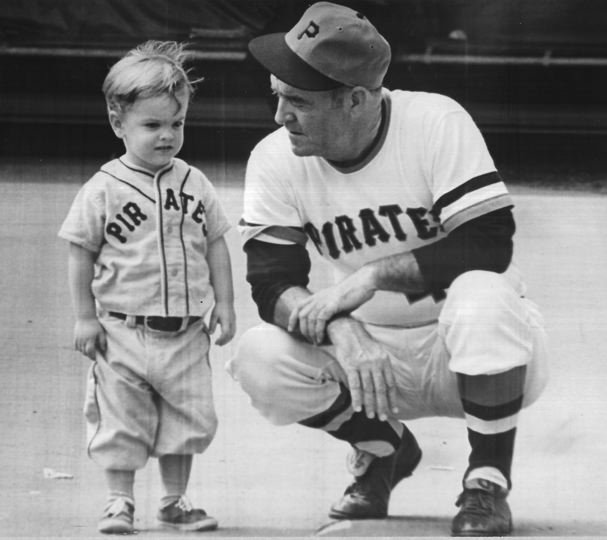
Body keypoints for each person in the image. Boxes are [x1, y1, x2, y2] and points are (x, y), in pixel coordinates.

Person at [228, 2, 549, 536]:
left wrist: (371, 276)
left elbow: (490, 243)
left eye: (298, 101)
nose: (280, 116)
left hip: (477, 353)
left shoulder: (434, 122)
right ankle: (385, 449)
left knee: (483, 294)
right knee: (258, 358)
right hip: (370, 361)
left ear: (355, 99)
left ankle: (486, 481)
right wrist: (342, 328)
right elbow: (270, 282)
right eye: (278, 95)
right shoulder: (273, 157)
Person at [58, 40, 235, 534]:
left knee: (187, 418)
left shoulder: (195, 181)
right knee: (122, 420)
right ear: (119, 124)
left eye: (176, 124)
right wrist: (84, 316)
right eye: (152, 125)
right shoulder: (103, 188)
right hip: (122, 330)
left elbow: (217, 242)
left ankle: (175, 501)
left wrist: (225, 302)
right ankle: (119, 501)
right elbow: (80, 253)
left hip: (185, 330)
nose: (166, 136)